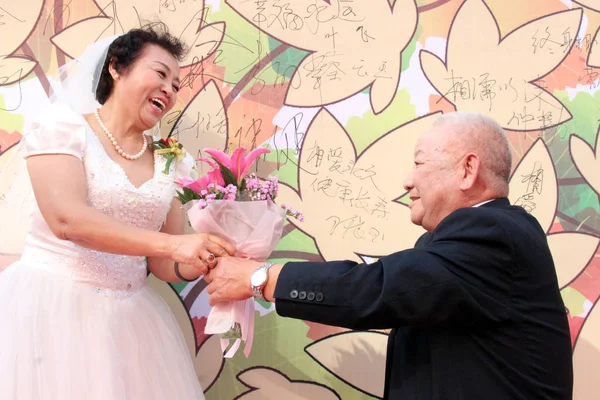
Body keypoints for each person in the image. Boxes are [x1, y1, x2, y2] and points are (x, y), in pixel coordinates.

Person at [204, 112, 574, 399]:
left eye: (419, 163)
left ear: (467, 169)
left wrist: (260, 278)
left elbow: (375, 289)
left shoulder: (491, 235)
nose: (407, 181)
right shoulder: (465, 241)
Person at [0, 25, 235, 399]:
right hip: (50, 308)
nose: (170, 90)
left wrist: (210, 252)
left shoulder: (169, 159)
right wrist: (175, 247)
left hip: (130, 323)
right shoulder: (64, 128)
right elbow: (67, 220)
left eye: (176, 85)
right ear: (115, 67)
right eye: (160, 74)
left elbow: (165, 264)